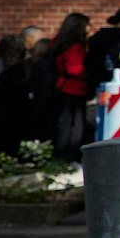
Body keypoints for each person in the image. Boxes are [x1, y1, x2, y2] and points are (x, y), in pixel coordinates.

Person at [45, 12, 93, 161]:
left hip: (61, 87)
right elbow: (75, 69)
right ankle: (67, 158)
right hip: (73, 89)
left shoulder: (59, 42)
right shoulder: (74, 46)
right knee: (72, 127)